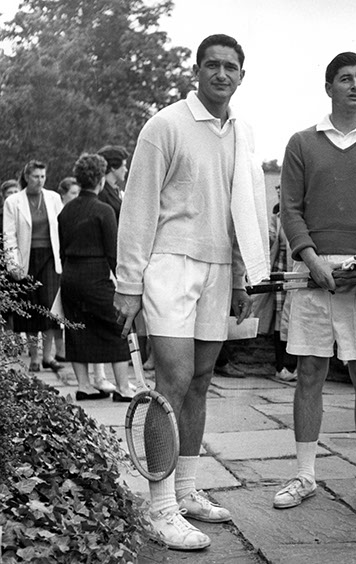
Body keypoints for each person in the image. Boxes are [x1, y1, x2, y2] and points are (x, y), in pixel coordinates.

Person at [113, 34, 269, 551]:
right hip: (169, 265)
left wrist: (245, 273)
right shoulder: (164, 126)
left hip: (219, 266)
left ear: (242, 76)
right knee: (173, 380)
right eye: (212, 65)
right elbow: (137, 208)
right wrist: (130, 285)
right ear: (196, 71)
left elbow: (243, 210)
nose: (221, 74)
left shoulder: (242, 132)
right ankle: (160, 509)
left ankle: (185, 489)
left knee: (201, 380)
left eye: (231, 67)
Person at [276, 52, 356, 515]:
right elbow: (291, 209)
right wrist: (310, 259)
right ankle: (305, 475)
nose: (355, 86)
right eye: (346, 79)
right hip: (313, 272)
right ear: (329, 87)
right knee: (309, 371)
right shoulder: (301, 143)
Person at [58, 154, 133, 401]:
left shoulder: (66, 210)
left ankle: (84, 386)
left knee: (77, 327)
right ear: (101, 179)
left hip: (70, 275)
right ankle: (123, 388)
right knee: (117, 325)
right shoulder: (105, 210)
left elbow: (61, 249)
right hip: (95, 275)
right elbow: (113, 253)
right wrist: (123, 283)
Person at [3, 160, 64, 372]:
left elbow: (61, 229)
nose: (40, 181)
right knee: (29, 307)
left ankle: (48, 355)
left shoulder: (54, 198)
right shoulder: (13, 202)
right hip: (26, 257)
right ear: (27, 177)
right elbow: (9, 235)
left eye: (43, 176)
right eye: (36, 176)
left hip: (50, 256)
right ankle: (35, 356)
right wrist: (13, 264)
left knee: (49, 307)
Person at [270, 185, 297, 382]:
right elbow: (271, 240)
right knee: (281, 318)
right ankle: (282, 366)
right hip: (281, 270)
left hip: (297, 270)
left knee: (296, 316)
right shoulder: (276, 217)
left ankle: (292, 365)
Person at [96, 145, 129, 222]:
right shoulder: (102, 192)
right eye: (123, 165)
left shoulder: (115, 190)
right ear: (113, 167)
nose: (126, 170)